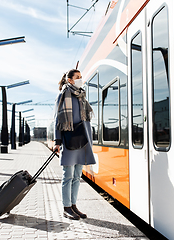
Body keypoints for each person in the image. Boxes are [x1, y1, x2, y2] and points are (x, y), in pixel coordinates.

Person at [53, 69, 96, 220]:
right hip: (69, 140)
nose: (80, 79)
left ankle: (73, 205)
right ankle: (66, 207)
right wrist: (57, 142)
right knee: (68, 176)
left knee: (77, 176)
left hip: (83, 140)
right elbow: (57, 121)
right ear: (70, 80)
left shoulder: (81, 96)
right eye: (77, 77)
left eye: (81, 77)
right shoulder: (63, 95)